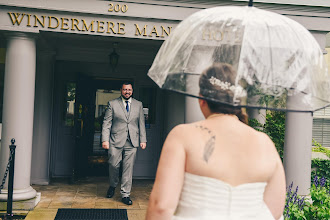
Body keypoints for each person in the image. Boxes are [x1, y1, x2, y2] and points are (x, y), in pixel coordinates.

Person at [146, 63, 286, 219]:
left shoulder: (182, 135)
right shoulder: (265, 143)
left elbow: (160, 208)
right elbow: (275, 211)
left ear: (201, 100)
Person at [101, 82, 147, 205]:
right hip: (115, 141)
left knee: (128, 168)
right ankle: (112, 184)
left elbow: (141, 124)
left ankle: (125, 194)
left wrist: (143, 140)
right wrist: (105, 140)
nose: (127, 92)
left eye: (129, 90)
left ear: (132, 91)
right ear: (121, 90)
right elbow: (107, 123)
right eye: (125, 89)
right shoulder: (113, 104)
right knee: (113, 165)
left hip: (132, 141)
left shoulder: (138, 105)